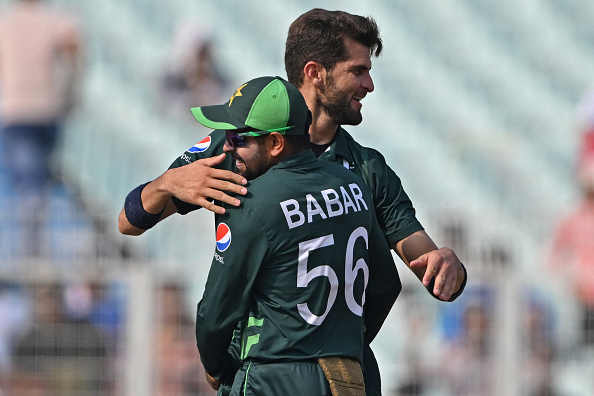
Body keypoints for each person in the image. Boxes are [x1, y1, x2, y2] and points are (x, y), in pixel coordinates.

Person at [118, 8, 467, 394]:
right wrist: (166, 184)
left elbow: (432, 272)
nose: (369, 85)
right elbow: (129, 222)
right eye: (358, 70)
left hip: (314, 374)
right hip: (256, 371)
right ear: (315, 73)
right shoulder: (235, 146)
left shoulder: (369, 169)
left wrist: (448, 265)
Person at [188, 75, 397, 395]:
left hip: (274, 376)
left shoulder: (252, 201)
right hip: (347, 377)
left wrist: (219, 367)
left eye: (239, 137)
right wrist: (342, 343)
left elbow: (215, 314)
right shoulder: (353, 185)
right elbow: (386, 284)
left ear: (275, 142)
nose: (227, 145)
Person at [0, 0, 82, 257]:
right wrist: (67, 93)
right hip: (47, 111)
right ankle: (32, 252)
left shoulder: (6, 23)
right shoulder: (55, 20)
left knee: (29, 186)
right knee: (38, 184)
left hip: (16, 112)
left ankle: (30, 254)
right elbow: (74, 53)